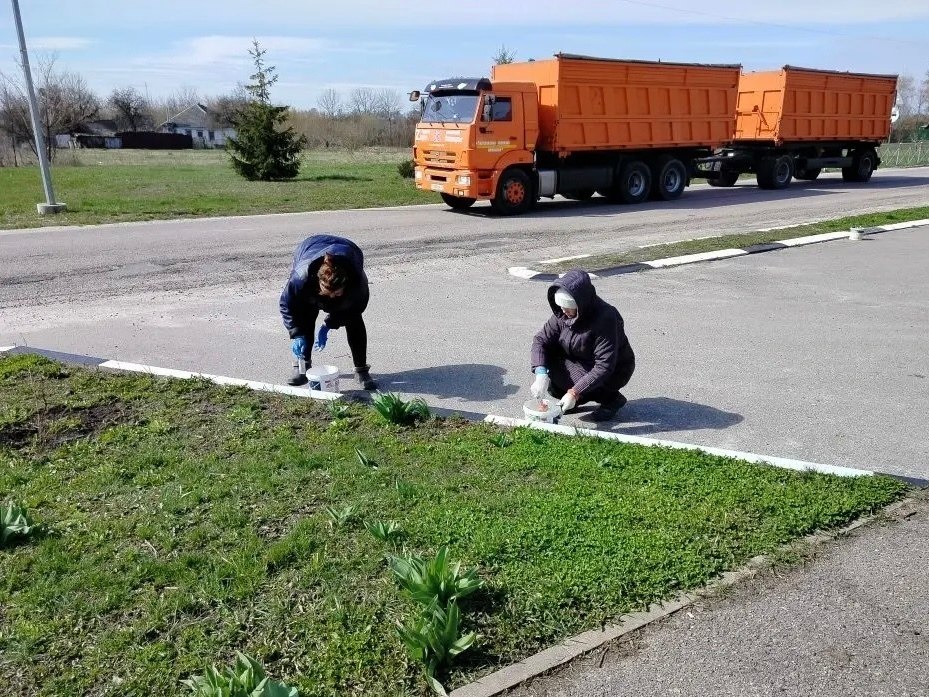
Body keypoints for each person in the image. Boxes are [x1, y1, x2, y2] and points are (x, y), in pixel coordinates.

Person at [530, 269, 635, 421]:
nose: (563, 311)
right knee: (551, 372)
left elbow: (604, 366)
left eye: (568, 306)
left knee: (580, 382)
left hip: (614, 370)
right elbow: (541, 340)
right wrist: (540, 373)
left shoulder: (605, 318)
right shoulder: (562, 314)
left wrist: (574, 392)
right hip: (580, 360)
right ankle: (577, 396)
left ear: (581, 302)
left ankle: (611, 399)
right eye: (561, 306)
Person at [280, 234, 377, 390]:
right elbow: (287, 304)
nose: (331, 297)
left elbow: (355, 309)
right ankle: (302, 366)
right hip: (310, 247)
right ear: (318, 281)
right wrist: (296, 332)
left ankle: (361, 370)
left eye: (337, 293)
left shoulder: (357, 284)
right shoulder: (301, 277)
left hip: (349, 249)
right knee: (306, 314)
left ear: (345, 286)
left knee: (354, 319)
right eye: (326, 292)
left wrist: (329, 323)